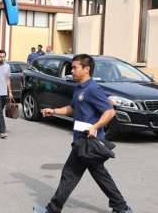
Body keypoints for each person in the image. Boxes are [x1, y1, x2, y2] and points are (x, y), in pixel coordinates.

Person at [33, 54, 132, 213]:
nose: (71, 70)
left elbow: (109, 112)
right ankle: (122, 207)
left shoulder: (93, 89)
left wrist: (96, 126)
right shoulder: (79, 88)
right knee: (97, 175)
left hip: (88, 141)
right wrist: (54, 111)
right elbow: (72, 108)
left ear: (86, 69)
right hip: (81, 140)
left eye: (74, 67)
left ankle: (52, 209)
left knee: (70, 174)